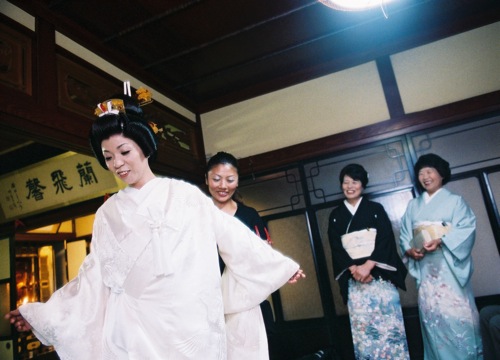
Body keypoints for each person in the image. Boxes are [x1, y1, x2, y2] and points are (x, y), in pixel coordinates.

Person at [5, 90, 305, 360]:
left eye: (124, 152)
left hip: (187, 326)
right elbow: (93, 276)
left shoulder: (184, 195)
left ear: (144, 148)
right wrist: (42, 314)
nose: (117, 164)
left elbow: (231, 235)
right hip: (131, 331)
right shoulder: (108, 213)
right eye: (108, 157)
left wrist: (277, 266)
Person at [400, 153, 482, 359]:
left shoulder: (455, 202)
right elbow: (405, 235)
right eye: (421, 173)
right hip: (427, 274)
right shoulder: (413, 206)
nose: (425, 177)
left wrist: (442, 240)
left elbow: (467, 228)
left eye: (430, 171)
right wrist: (410, 250)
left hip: (449, 270)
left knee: (458, 318)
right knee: (433, 321)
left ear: (441, 174)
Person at [327, 163, 409, 359]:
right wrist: (354, 268)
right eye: (345, 182)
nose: (350, 186)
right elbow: (336, 247)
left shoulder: (375, 209)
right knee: (364, 331)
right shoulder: (336, 216)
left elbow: (385, 238)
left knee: (390, 329)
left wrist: (369, 265)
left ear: (363, 185)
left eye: (354, 181)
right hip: (355, 279)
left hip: (380, 275)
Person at [205, 151, 276, 359]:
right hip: (214, 305)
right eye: (216, 179)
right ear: (207, 179)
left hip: (251, 301)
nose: (223, 186)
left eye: (230, 179)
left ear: (237, 181)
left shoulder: (249, 215)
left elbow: (265, 257)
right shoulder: (197, 216)